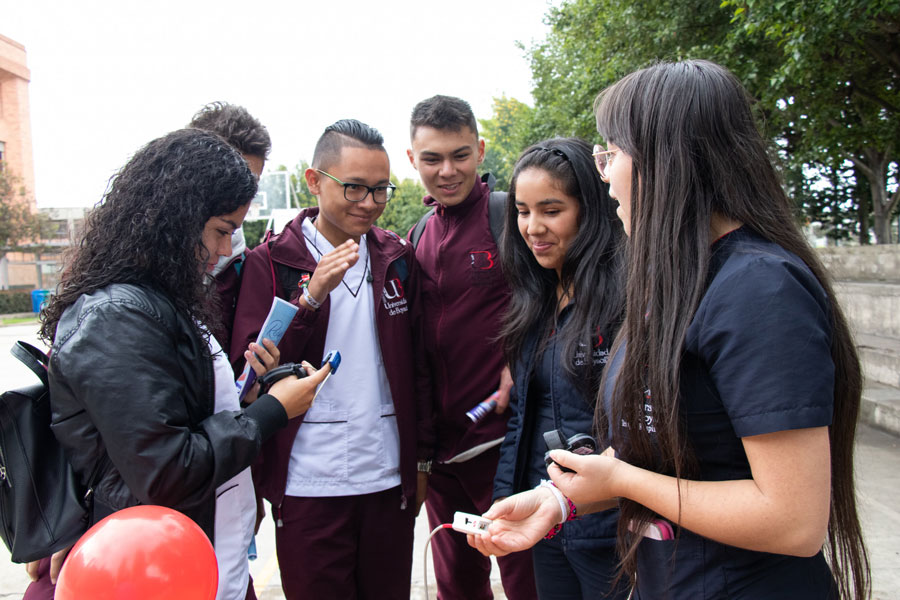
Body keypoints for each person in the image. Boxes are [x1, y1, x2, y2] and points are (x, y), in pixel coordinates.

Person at [469, 60, 870, 600]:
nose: (605, 173)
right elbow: (669, 452)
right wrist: (558, 500)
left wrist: (623, 483)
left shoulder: (758, 289)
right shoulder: (678, 285)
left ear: (667, 161)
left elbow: (793, 522)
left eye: (613, 154)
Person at [29, 128, 329, 599]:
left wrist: (247, 393)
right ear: (175, 220)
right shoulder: (115, 318)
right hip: (144, 572)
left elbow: (175, 417)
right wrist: (272, 411)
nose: (228, 249)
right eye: (222, 230)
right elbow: (166, 470)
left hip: (200, 563)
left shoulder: (161, 301)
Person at [229, 119, 432, 599]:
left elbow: (419, 370)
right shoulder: (272, 262)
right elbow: (251, 379)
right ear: (314, 181)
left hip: (385, 476)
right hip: (308, 482)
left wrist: (421, 461)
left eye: (381, 190)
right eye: (355, 188)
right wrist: (311, 299)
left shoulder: (397, 258)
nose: (369, 203)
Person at [406, 94, 537, 600]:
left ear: (480, 151)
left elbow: (564, 301)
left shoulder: (511, 219)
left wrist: (521, 357)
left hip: (507, 445)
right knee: (456, 586)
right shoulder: (416, 235)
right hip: (442, 456)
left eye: (460, 154)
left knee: (529, 580)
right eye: (432, 158)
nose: (447, 170)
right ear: (413, 159)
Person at [493, 137, 628, 600]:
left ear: (589, 209)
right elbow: (526, 415)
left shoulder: (626, 301)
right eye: (523, 211)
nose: (533, 227)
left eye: (551, 210)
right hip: (547, 518)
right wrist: (505, 496)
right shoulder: (536, 299)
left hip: (612, 528)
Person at [188, 101, 272, 351]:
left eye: (251, 184)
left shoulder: (250, 267)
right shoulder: (131, 268)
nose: (242, 195)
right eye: (231, 179)